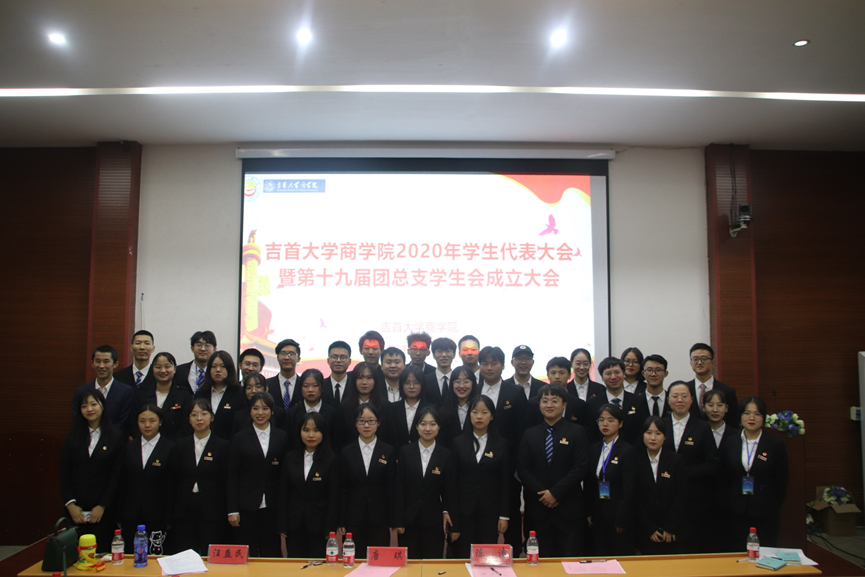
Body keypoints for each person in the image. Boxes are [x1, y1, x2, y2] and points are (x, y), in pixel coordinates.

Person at [517, 385, 590, 557]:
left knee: (570, 560)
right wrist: (544, 494)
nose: (549, 405)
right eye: (545, 401)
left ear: (564, 404)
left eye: (555, 401)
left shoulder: (577, 432)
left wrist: (555, 493)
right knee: (541, 561)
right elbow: (523, 469)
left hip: (568, 508)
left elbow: (581, 467)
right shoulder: (530, 434)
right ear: (539, 405)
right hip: (539, 510)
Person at [59, 389, 125, 550]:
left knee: (102, 554)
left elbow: (117, 475)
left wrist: (102, 505)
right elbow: (64, 471)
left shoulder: (116, 436)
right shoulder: (73, 435)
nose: (89, 409)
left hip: (104, 510)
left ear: (102, 406)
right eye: (84, 406)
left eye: (93, 404)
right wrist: (71, 505)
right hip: (76, 509)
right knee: (75, 554)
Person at [478, 346, 527, 554]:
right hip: (479, 466)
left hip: (508, 466)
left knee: (511, 512)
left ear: (503, 365)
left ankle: (513, 553)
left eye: (494, 363)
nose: (489, 368)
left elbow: (522, 431)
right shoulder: (473, 390)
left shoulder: (515, 392)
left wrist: (517, 466)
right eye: (485, 363)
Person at [721, 396, 788, 549]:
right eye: (747, 413)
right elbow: (724, 477)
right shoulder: (730, 442)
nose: (751, 418)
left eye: (757, 414)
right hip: (736, 509)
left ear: (763, 418)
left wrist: (772, 505)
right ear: (740, 416)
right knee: (736, 550)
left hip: (765, 510)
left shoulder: (775, 445)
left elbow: (782, 480)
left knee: (765, 550)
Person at [227, 392, 288, 557]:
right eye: (255, 408)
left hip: (273, 505)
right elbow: (232, 475)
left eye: (265, 408)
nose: (260, 412)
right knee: (248, 554)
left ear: (272, 411)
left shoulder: (282, 437)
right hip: (246, 505)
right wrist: (232, 510)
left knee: (271, 552)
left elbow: (284, 476)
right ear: (250, 411)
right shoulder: (240, 438)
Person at [449, 395, 510, 558]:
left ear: (492, 416)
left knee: (486, 556)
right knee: (463, 555)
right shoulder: (458, 443)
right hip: (464, 511)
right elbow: (452, 482)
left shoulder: (501, 444)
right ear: (469, 415)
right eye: (475, 412)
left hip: (490, 511)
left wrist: (504, 515)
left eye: (484, 412)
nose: (479, 416)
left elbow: (505, 483)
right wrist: (453, 517)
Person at [663, 381, 720, 553]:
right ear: (668, 400)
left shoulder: (702, 427)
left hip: (694, 499)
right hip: (664, 497)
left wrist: (683, 473)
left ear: (692, 400)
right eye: (675, 396)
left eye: (684, 396)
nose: (680, 400)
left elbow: (713, 464)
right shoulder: (660, 425)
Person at [394, 406, 456, 559]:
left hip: (434, 520)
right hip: (408, 519)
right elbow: (399, 487)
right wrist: (399, 520)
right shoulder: (405, 452)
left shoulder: (446, 455)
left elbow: (449, 489)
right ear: (416, 426)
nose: (428, 428)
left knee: (432, 562)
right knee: (409, 564)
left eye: (432, 424)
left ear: (439, 427)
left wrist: (446, 511)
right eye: (423, 424)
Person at [170, 399, 230, 555]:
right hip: (185, 509)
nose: (199, 418)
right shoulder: (180, 445)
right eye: (194, 415)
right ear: (189, 419)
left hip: (212, 510)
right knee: (185, 554)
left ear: (212, 417)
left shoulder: (223, 446)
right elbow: (174, 480)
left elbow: (226, 481)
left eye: (204, 414)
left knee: (210, 554)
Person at [337, 404, 397, 555]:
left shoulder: (388, 451)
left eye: (371, 421)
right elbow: (343, 488)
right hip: (353, 517)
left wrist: (392, 519)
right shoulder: (346, 452)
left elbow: (391, 487)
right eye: (361, 421)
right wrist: (341, 520)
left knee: (378, 560)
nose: (366, 425)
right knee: (354, 559)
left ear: (378, 423)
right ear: (355, 423)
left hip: (380, 517)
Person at [279, 412, 340, 558]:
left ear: (323, 433)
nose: (311, 435)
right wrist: (282, 524)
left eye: (316, 430)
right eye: (306, 430)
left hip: (320, 525)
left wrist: (330, 528)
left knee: (318, 566)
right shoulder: (290, 458)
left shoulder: (331, 459)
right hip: (294, 523)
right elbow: (283, 493)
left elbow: (334, 496)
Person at [119, 404, 175, 553]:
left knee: (156, 556)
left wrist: (169, 518)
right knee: (131, 556)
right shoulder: (129, 447)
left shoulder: (170, 448)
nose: (147, 425)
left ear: (160, 422)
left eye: (152, 421)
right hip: (131, 514)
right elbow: (122, 482)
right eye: (142, 421)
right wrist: (119, 515)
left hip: (158, 515)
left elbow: (172, 486)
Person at [585, 403, 635, 556]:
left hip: (617, 515)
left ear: (620, 424)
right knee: (600, 554)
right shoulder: (594, 449)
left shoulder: (627, 450)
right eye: (601, 420)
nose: (605, 424)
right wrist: (589, 511)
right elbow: (590, 483)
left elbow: (629, 488)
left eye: (610, 420)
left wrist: (622, 518)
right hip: (598, 513)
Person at [634, 417, 687, 555]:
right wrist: (650, 528)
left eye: (658, 433)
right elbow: (635, 497)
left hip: (671, 530)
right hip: (645, 531)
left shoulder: (675, 460)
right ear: (643, 435)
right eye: (648, 433)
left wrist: (670, 527)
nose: (653, 438)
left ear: (665, 437)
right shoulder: (636, 461)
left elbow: (681, 495)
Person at [703, 389, 738, 552]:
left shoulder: (736, 435)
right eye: (710, 405)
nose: (715, 410)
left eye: (720, 405)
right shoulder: (698, 431)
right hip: (703, 497)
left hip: (729, 498)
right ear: (703, 407)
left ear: (727, 408)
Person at [131, 352, 193, 441]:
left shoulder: (184, 395)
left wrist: (170, 445)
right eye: (158, 367)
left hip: (174, 445)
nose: (163, 371)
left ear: (175, 369)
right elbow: (133, 422)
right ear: (152, 369)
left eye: (167, 367)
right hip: (145, 444)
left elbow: (186, 426)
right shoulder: (141, 394)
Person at [72, 345, 134, 429]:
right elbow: (78, 420)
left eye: (106, 361)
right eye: (97, 361)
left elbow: (123, 422)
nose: (101, 366)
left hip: (116, 436)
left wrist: (106, 436)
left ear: (115, 364)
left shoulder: (126, 391)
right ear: (92, 363)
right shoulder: (80, 392)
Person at [526, 357, 593, 430]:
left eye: (561, 373)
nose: (557, 376)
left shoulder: (579, 404)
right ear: (548, 375)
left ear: (569, 375)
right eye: (553, 373)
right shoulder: (534, 403)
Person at [193, 351, 246, 441]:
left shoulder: (239, 393)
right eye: (214, 366)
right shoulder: (201, 393)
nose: (218, 370)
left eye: (223, 366)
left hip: (230, 443)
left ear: (229, 369)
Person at [587, 358, 640, 446]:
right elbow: (591, 434)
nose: (613, 377)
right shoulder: (592, 404)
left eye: (617, 372)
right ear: (602, 377)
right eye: (608, 373)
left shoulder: (637, 401)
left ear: (624, 374)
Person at [685, 343, 738, 427]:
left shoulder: (727, 391)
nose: (699, 362)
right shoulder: (685, 390)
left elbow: (733, 422)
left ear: (712, 362)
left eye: (704, 358)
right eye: (695, 359)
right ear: (691, 363)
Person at [336, 361, 387, 447]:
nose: (364, 382)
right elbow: (339, 438)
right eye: (360, 378)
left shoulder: (385, 406)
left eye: (369, 378)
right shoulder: (344, 407)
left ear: (375, 380)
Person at [284, 368, 337, 450]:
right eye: (306, 386)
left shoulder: (332, 413)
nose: (310, 390)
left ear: (322, 388)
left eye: (315, 386)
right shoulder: (292, 413)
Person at [384, 365, 429, 454]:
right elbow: (389, 436)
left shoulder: (430, 409)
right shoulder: (392, 408)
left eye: (416, 382)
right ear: (401, 384)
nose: (411, 386)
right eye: (407, 382)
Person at [438, 365, 480, 448]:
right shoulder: (442, 412)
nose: (461, 386)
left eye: (466, 382)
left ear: (473, 384)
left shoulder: (479, 411)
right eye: (457, 382)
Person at [633, 354, 672, 426]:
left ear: (665, 373)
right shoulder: (634, 401)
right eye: (649, 370)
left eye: (658, 370)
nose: (653, 374)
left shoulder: (672, 401)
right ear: (643, 373)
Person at [266, 339, 302, 413]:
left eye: (291, 354)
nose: (286, 358)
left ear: (298, 359)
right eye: (283, 354)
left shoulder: (304, 384)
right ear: (277, 358)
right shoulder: (267, 384)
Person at [424, 337, 457, 407]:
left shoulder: (458, 379)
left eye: (448, 351)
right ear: (433, 355)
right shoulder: (425, 380)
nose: (444, 355)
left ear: (454, 354)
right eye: (439, 351)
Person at [324, 341, 352, 407]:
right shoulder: (321, 386)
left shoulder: (355, 386)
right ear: (328, 360)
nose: (338, 360)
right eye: (334, 357)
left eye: (343, 357)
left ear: (349, 361)